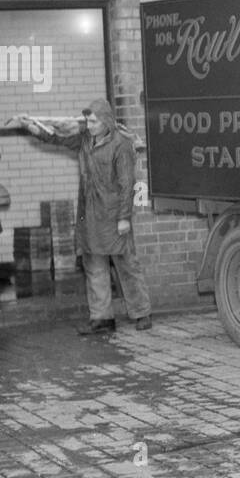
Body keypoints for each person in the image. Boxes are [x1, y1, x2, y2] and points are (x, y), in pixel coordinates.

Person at [26, 98, 152, 334]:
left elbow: (127, 184)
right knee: (94, 264)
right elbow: (58, 139)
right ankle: (102, 317)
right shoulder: (84, 140)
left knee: (126, 264)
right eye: (88, 121)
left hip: (114, 214)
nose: (89, 125)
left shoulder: (121, 145)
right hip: (90, 213)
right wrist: (36, 131)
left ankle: (142, 312)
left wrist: (124, 217)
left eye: (93, 121)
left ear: (106, 121)